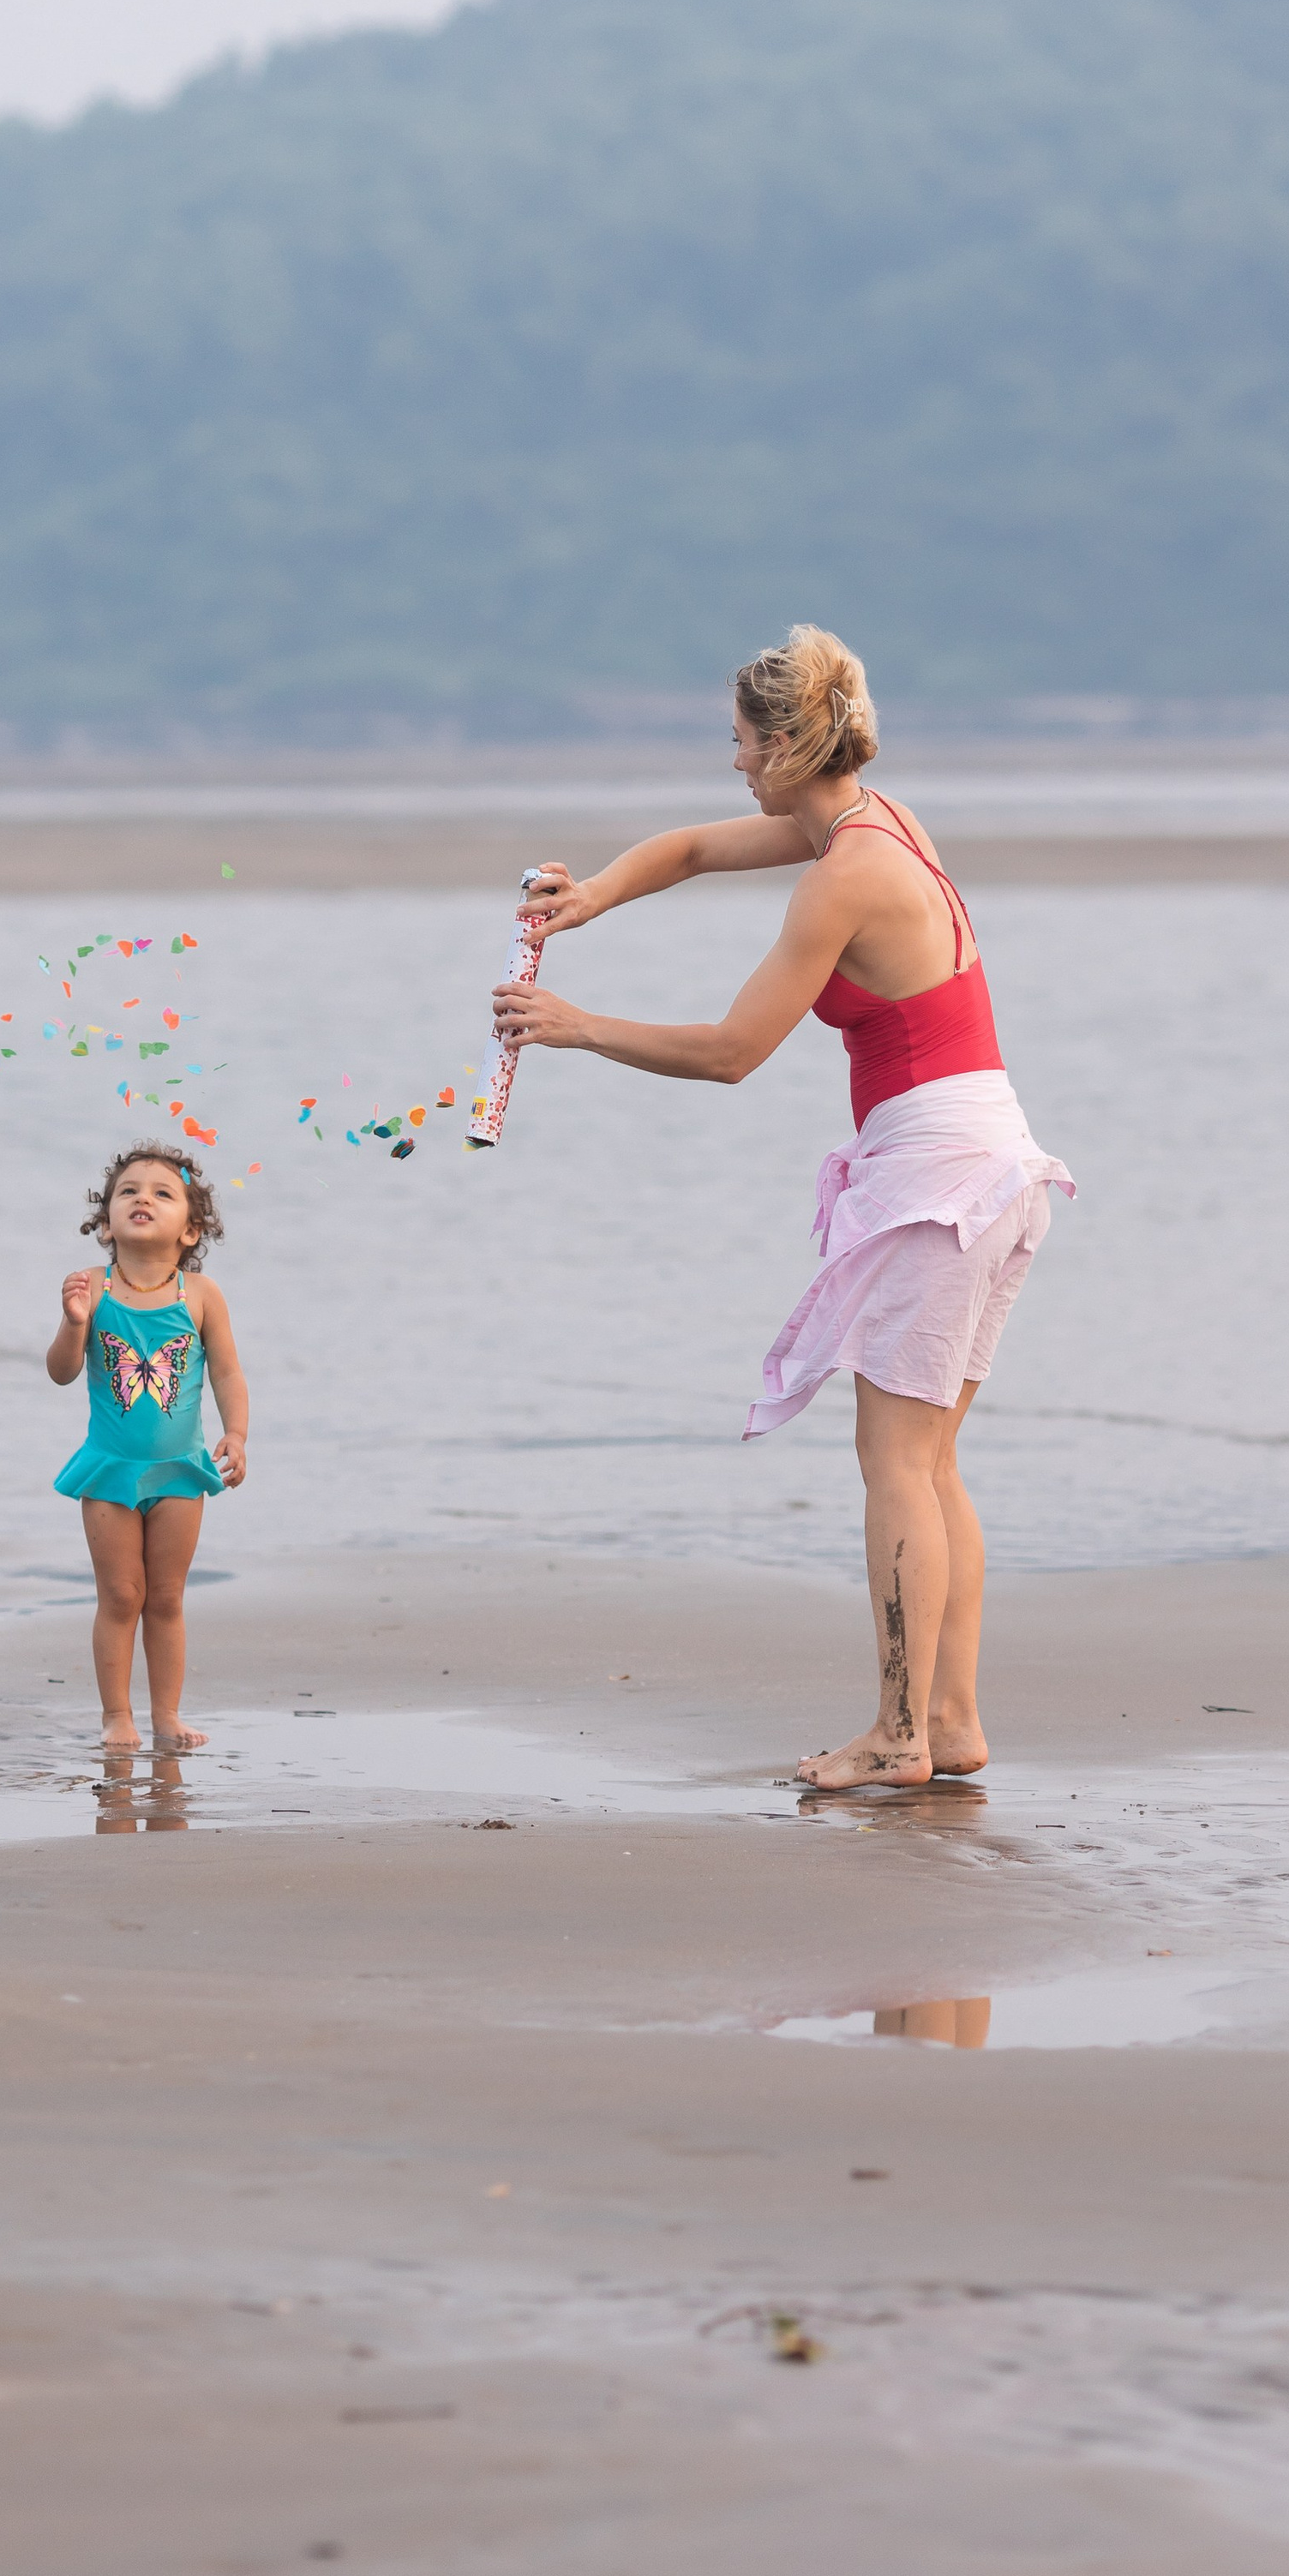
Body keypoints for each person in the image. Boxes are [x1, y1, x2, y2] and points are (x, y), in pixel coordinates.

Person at [494, 626, 1071, 1794]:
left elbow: (732, 1053)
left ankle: (901, 1734)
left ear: (788, 745)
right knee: (929, 1462)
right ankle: (948, 1723)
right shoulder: (875, 822)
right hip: (993, 1164)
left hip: (940, 1181)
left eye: (743, 743)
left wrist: (577, 1027)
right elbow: (695, 848)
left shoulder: (845, 875)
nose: (734, 763)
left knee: (896, 1461)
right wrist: (593, 896)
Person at [47, 1142, 249, 1753]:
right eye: (129, 1190)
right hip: (109, 1471)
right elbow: (61, 1373)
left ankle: (167, 1715)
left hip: (180, 1472)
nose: (143, 1198)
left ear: (190, 1230)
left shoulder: (201, 1294)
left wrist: (236, 1433)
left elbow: (227, 1373)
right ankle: (117, 1716)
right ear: (106, 1220)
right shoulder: (91, 1287)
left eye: (163, 1193)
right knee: (120, 1595)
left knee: (164, 1597)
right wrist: (75, 1324)